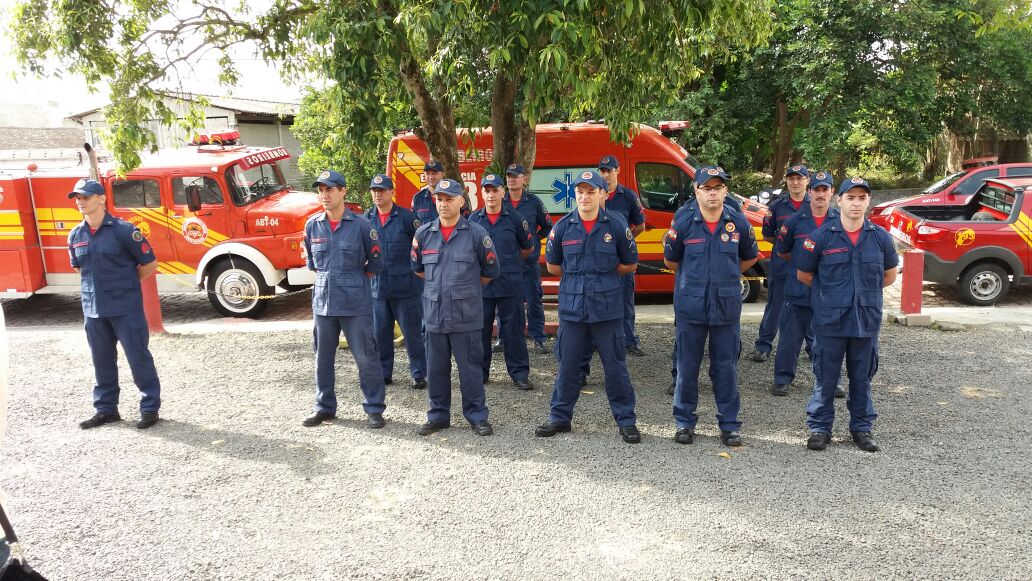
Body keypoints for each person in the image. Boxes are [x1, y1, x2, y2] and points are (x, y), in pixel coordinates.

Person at [535, 170, 641, 444]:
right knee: (568, 365)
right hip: (573, 307)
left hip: (607, 308)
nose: (584, 196)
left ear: (602, 194)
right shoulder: (562, 227)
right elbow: (553, 265)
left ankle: (626, 420)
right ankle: (560, 418)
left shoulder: (616, 225)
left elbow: (629, 262)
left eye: (591, 191)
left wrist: (601, 278)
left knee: (615, 366)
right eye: (580, 192)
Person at [795, 177, 898, 452]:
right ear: (838, 200)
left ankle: (862, 429)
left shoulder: (880, 238)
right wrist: (831, 297)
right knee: (825, 377)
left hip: (865, 321)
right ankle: (820, 428)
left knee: (862, 378)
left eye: (861, 198)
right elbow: (804, 274)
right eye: (850, 197)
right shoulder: (821, 237)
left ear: (868, 201)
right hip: (830, 321)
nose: (856, 202)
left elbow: (888, 275)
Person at [664, 167, 758, 446]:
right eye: (707, 188)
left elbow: (749, 258)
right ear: (697, 191)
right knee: (687, 367)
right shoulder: (682, 223)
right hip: (690, 308)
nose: (713, 192)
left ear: (726, 191)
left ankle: (729, 425)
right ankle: (684, 423)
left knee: (725, 368)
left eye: (718, 187)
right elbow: (671, 261)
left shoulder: (739, 224)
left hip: (726, 308)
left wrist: (725, 277)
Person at [68, 179, 163, 430]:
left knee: (138, 357)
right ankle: (106, 409)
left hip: (125, 309)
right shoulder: (76, 234)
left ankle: (149, 407)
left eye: (85, 197)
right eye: (77, 198)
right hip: (93, 310)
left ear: (101, 199)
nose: (80, 202)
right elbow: (80, 269)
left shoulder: (123, 230)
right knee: (101, 361)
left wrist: (127, 286)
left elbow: (149, 263)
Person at [411, 178, 500, 436]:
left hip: (466, 316)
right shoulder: (423, 234)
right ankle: (438, 415)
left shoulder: (476, 234)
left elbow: (490, 270)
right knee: (436, 369)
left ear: (461, 202)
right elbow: (418, 269)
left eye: (449, 198)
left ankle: (477, 416)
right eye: (439, 199)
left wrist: (465, 290)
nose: (443, 203)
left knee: (470, 369)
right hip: (435, 316)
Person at [302, 170, 387, 429]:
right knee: (322, 358)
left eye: (330, 189)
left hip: (355, 303)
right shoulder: (312, 225)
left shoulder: (361, 225)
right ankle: (324, 407)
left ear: (343, 192)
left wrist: (352, 281)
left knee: (366, 357)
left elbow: (375, 263)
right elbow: (312, 264)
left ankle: (374, 408)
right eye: (321, 190)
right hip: (323, 302)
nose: (324, 195)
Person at [771, 170, 839, 396]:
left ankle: (831, 380)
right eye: (816, 190)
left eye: (825, 190)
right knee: (790, 338)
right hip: (798, 289)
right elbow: (782, 251)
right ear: (809, 192)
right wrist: (805, 265)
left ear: (832, 192)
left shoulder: (840, 222)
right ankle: (782, 379)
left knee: (829, 339)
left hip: (828, 292)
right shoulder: (793, 222)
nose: (820, 194)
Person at [469, 173, 535, 390]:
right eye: (486, 190)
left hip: (510, 285)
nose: (490, 195)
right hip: (483, 286)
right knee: (480, 331)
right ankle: (480, 372)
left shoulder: (515, 219)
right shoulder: (473, 220)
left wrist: (508, 265)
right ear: (481, 193)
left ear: (502, 192)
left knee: (514, 331)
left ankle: (519, 374)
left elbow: (527, 248)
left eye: (494, 190)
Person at [364, 174, 427, 390]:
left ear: (392, 192)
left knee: (412, 335)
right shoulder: (366, 218)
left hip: (406, 289)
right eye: (374, 191)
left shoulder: (407, 218)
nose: (378, 194)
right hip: (378, 290)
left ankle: (419, 373)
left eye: (382, 190)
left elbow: (421, 246)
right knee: (380, 335)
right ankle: (384, 373)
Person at [753, 164, 810, 362]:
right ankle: (764, 345)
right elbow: (768, 236)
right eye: (791, 178)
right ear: (787, 181)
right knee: (775, 305)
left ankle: (813, 347)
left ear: (807, 181)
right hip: (781, 266)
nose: (795, 182)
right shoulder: (776, 207)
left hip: (808, 267)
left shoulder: (816, 205)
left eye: (799, 178)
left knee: (810, 307)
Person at [597, 155, 647, 355]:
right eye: (602, 171)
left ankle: (629, 341)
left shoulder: (628, 196)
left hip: (622, 258)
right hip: (600, 258)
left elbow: (640, 225)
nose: (606, 174)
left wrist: (624, 242)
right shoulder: (595, 194)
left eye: (610, 170)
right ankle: (597, 341)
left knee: (626, 300)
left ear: (617, 171)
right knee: (599, 299)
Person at [503, 163, 553, 354]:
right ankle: (503, 338)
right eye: (509, 176)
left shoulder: (533, 202)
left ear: (524, 179)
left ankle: (538, 337)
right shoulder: (500, 201)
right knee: (505, 303)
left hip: (528, 262)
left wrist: (533, 240)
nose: (511, 179)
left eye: (515, 176)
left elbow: (548, 226)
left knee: (534, 301)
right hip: (507, 263)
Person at [411, 159, 444, 224]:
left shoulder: (452, 196)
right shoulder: (418, 198)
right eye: (428, 174)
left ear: (442, 174)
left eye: (434, 173)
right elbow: (414, 224)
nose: (431, 177)